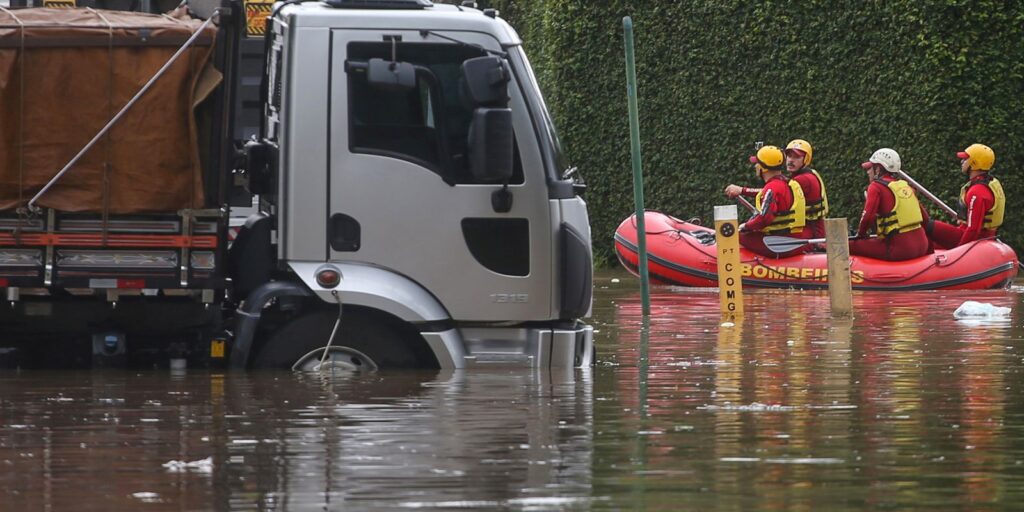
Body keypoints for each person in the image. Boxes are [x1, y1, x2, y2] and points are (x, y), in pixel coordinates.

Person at [724, 145, 807, 257]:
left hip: (777, 243)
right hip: (792, 240)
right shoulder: (788, 183)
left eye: (757, 163)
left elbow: (764, 219)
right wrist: (742, 190)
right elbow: (765, 194)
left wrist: (745, 226)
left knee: (731, 235)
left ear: (763, 168)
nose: (755, 166)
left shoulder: (772, 188)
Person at [849, 148, 930, 261]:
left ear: (878, 169)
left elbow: (867, 218)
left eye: (870, 168)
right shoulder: (906, 186)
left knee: (848, 245)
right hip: (923, 245)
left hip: (901, 250)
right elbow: (925, 218)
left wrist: (860, 235)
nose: (868, 172)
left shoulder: (875, 187)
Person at [925, 143, 1004, 249]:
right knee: (931, 243)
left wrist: (959, 251)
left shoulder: (977, 192)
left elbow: (973, 230)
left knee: (926, 225)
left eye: (965, 159)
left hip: (973, 238)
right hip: (980, 235)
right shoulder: (990, 183)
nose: (962, 162)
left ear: (974, 163)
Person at [784, 139, 829, 239]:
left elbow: (775, 192)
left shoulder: (803, 179)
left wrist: (744, 191)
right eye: (789, 156)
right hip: (813, 229)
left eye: (796, 157)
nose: (791, 160)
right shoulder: (810, 173)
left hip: (812, 232)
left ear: (806, 159)